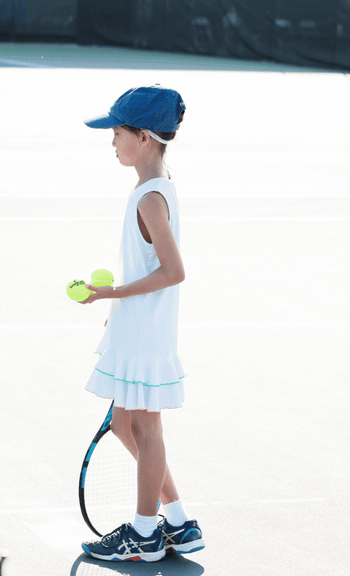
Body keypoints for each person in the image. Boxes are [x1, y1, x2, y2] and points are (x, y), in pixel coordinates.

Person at [76, 85, 205, 562]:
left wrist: (111, 294)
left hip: (147, 337)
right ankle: (178, 523)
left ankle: (145, 534)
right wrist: (117, 312)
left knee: (146, 432)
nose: (112, 141)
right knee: (122, 425)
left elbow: (173, 271)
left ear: (145, 138)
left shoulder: (150, 197)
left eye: (117, 132)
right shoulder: (156, 186)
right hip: (136, 330)